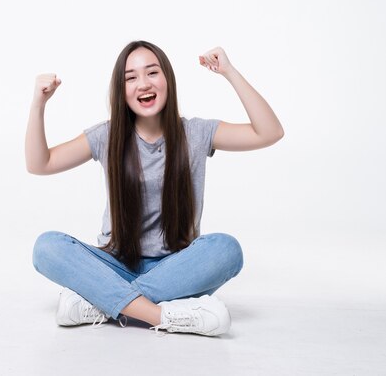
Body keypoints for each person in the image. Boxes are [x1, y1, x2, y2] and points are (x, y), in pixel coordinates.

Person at [25, 40, 284, 336]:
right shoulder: (107, 136)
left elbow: (270, 132)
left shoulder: (196, 133)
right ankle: (162, 315)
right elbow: (39, 163)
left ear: (167, 80)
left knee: (227, 250)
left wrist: (230, 72)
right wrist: (38, 104)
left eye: (152, 73)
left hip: (176, 270)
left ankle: (102, 303)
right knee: (47, 247)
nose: (143, 84)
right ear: (121, 91)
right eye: (131, 77)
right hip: (115, 263)